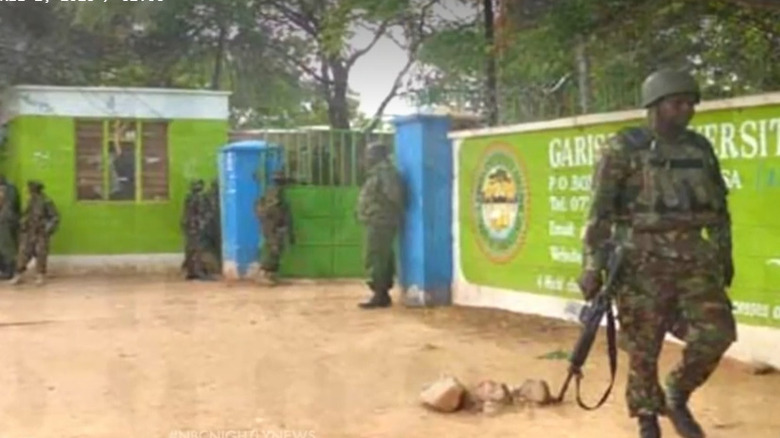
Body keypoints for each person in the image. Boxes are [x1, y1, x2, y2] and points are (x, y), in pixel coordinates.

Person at [578, 69, 736, 438]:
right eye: (678, 103)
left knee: (718, 332)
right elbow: (599, 213)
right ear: (655, 105)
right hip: (639, 260)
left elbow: (720, 209)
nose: (687, 110)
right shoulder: (622, 148)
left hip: (695, 258)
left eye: (691, 103)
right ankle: (647, 420)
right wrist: (592, 266)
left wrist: (725, 255)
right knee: (643, 347)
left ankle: (677, 394)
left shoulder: (699, 148)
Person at [355, 142, 404, 309]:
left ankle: (379, 293)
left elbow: (394, 196)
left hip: (381, 221)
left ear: (379, 156)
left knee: (377, 256)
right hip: (378, 220)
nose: (367, 158)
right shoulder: (378, 173)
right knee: (380, 256)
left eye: (370, 154)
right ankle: (381, 293)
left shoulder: (386, 173)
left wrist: (379, 210)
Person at [9, 180, 59, 285]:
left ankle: (40, 276)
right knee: (23, 254)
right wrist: (22, 224)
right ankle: (18, 275)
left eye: (30, 188)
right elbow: (24, 214)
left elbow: (54, 217)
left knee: (41, 254)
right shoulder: (29, 200)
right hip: (28, 231)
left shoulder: (46, 201)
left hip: (40, 232)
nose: (28, 190)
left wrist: (47, 229)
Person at [255, 170, 294, 285]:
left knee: (277, 251)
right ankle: (262, 274)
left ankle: (271, 275)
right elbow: (267, 211)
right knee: (272, 249)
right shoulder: (272, 193)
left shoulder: (278, 193)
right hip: (271, 226)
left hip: (277, 226)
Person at [180, 179, 210, 280]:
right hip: (195, 227)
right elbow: (202, 214)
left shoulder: (189, 197)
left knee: (190, 249)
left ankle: (191, 271)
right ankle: (198, 272)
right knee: (197, 249)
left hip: (189, 227)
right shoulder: (199, 198)